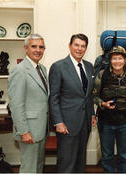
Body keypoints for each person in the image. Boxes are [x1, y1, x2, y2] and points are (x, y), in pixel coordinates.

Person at [49, 33, 97, 173]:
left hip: (85, 122)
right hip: (67, 124)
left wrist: (92, 114)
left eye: (83, 46)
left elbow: (88, 95)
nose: (79, 49)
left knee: (80, 161)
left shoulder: (89, 66)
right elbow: (54, 97)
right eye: (76, 45)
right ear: (70, 46)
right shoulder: (58, 67)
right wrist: (58, 122)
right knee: (66, 162)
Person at [93, 46, 126, 173]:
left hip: (125, 122)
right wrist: (103, 103)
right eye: (114, 58)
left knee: (124, 155)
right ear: (110, 60)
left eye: (120, 58)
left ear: (125, 60)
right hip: (105, 122)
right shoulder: (102, 75)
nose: (117, 61)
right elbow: (93, 95)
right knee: (107, 154)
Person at [8, 34, 48, 173]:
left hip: (41, 128)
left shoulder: (42, 69)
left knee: (37, 166)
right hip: (29, 130)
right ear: (26, 48)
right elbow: (16, 105)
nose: (38, 50)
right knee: (29, 169)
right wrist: (24, 131)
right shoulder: (19, 71)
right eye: (34, 46)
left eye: (41, 47)